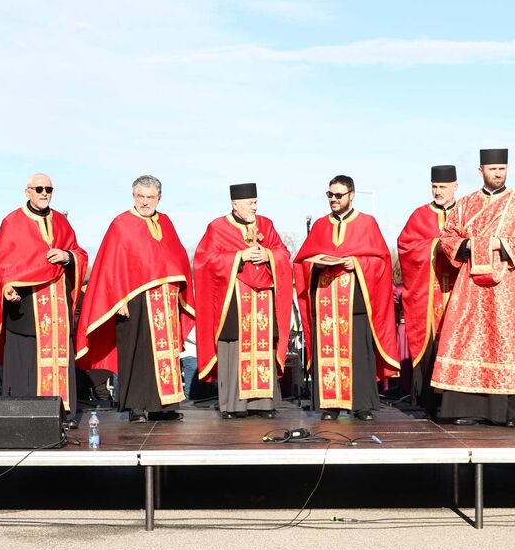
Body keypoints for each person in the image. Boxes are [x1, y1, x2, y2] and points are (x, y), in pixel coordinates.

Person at [0, 173, 87, 425]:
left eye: (49, 190)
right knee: (27, 362)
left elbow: (79, 253)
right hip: (26, 309)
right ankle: (25, 414)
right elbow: (0, 265)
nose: (44, 193)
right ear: (28, 191)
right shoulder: (12, 222)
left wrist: (67, 257)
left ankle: (62, 412)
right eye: (39, 189)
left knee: (59, 359)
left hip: (57, 309)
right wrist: (6, 287)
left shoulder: (61, 222)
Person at [75, 175, 194, 423]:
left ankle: (163, 407)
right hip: (133, 300)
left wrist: (178, 288)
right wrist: (117, 299)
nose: (145, 202)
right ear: (133, 196)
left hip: (165, 299)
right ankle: (136, 407)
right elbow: (109, 265)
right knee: (136, 352)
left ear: (159, 198)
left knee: (165, 353)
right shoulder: (121, 224)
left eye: (150, 197)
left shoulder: (166, 222)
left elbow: (178, 258)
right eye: (141, 196)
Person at [294, 175, 399, 421]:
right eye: (330, 194)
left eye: (338, 195)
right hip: (326, 301)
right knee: (327, 353)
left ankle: (361, 405)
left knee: (358, 353)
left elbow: (381, 261)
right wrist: (316, 264)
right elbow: (301, 261)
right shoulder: (320, 225)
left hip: (355, 301)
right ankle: (329, 406)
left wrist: (358, 263)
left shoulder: (367, 223)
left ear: (352, 195)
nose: (333, 199)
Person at [194, 183, 293, 419]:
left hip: (263, 297)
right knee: (234, 348)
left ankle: (263, 404)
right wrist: (240, 256)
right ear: (235, 204)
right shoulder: (218, 227)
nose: (254, 207)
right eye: (249, 203)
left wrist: (268, 255)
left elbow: (283, 252)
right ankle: (233, 405)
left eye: (255, 202)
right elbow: (205, 260)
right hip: (234, 298)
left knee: (264, 347)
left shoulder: (266, 225)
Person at [431, 149, 515, 426]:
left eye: (502, 169)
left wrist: (500, 244)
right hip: (470, 287)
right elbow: (448, 236)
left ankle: (509, 413)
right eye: (493, 169)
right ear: (481, 171)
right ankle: (467, 409)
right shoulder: (465, 204)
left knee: (505, 341)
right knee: (465, 338)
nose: (498, 174)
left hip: (507, 286)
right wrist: (470, 245)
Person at [398, 165, 459, 417]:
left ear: (455, 186)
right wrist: (437, 246)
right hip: (429, 292)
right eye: (434, 186)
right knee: (432, 345)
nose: (438, 191)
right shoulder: (420, 215)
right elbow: (406, 246)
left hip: (458, 292)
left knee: (457, 344)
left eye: (443, 187)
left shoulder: (466, 212)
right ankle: (431, 403)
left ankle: (456, 404)